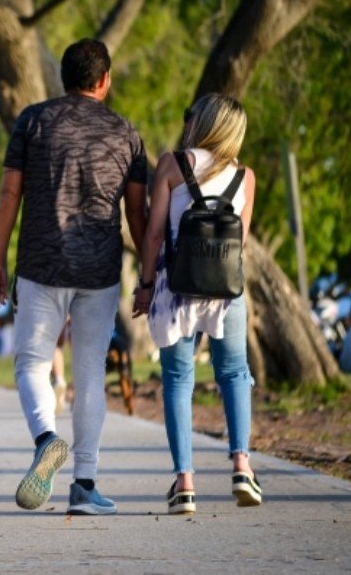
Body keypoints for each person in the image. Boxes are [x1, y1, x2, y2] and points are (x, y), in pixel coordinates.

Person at [0, 38, 148, 514]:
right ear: (104, 81)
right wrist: (150, 274)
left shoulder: (33, 120)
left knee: (33, 364)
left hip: (41, 263)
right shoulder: (126, 132)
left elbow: (9, 196)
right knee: (90, 375)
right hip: (99, 268)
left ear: (65, 78)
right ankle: (84, 485)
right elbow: (137, 213)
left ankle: (45, 439)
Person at [132, 93, 260, 515]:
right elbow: (239, 245)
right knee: (235, 373)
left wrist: (146, 285)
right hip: (226, 291)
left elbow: (153, 235)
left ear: (200, 122)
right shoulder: (246, 176)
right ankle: (241, 465)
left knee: (178, 379)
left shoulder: (172, 164)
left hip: (177, 288)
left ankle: (184, 483)